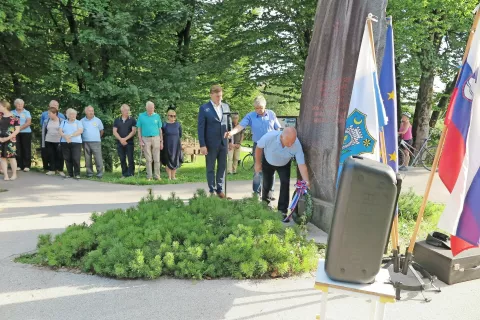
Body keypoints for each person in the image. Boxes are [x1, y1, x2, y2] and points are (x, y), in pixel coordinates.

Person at [226, 95, 281, 197]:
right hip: (258, 146)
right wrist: (231, 132)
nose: (258, 110)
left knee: (271, 169)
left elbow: (278, 128)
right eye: (256, 108)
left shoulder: (271, 114)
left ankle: (270, 192)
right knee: (257, 169)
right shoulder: (250, 116)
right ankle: (256, 193)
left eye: (260, 108)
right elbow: (240, 126)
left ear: (265, 106)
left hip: (271, 145)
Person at [254, 127, 310, 219]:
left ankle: (282, 211)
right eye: (288, 142)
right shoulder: (269, 137)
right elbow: (259, 148)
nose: (290, 144)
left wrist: (306, 180)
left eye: (292, 142)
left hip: (284, 164)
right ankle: (265, 205)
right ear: (281, 137)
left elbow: (301, 164)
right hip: (268, 162)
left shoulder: (296, 144)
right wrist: (257, 163)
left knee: (285, 184)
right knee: (267, 184)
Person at [197, 84, 232, 198]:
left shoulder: (226, 107)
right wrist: (202, 144)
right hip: (210, 144)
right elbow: (201, 127)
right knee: (210, 167)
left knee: (222, 167)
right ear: (211, 95)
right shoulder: (204, 108)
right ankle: (212, 190)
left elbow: (229, 124)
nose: (219, 98)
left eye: (221, 96)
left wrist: (230, 140)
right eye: (217, 96)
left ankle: (220, 189)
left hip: (224, 142)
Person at [137, 101, 163, 180]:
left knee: (157, 159)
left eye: (153, 107)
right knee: (148, 159)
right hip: (145, 138)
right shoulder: (141, 116)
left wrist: (161, 140)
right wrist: (140, 140)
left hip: (156, 138)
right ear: (146, 108)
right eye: (150, 108)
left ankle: (157, 176)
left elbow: (160, 129)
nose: (152, 109)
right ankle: (149, 176)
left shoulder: (157, 116)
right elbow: (139, 129)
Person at [40, 100, 66, 171]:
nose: (55, 107)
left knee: (59, 155)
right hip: (49, 139)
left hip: (59, 140)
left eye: (56, 106)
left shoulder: (62, 118)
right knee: (50, 154)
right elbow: (43, 128)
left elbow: (65, 129)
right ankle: (51, 169)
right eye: (53, 105)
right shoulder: (45, 117)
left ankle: (59, 169)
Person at [113, 104, 137, 178]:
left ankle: (131, 174)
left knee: (130, 158)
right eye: (126, 110)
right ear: (122, 111)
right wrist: (121, 139)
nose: (127, 111)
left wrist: (125, 139)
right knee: (122, 158)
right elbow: (114, 131)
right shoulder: (117, 120)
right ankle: (124, 173)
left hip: (129, 142)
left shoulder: (132, 120)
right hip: (120, 142)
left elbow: (133, 131)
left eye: (128, 110)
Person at [59, 108, 83, 179]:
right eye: (71, 114)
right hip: (65, 142)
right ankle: (70, 174)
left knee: (76, 158)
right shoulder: (63, 122)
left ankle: (77, 174)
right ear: (67, 115)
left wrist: (70, 136)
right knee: (67, 158)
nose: (73, 116)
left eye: (74, 114)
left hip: (76, 142)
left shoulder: (78, 122)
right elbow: (60, 131)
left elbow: (80, 131)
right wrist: (65, 137)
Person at [81, 106, 104, 178]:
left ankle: (99, 174)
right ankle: (89, 173)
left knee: (98, 158)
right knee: (87, 158)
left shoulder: (98, 120)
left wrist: (97, 137)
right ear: (86, 112)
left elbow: (101, 131)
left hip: (96, 142)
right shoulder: (82, 121)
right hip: (85, 142)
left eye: (92, 111)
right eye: (89, 111)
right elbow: (80, 131)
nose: (91, 112)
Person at [161, 106, 183, 180]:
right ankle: (169, 177)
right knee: (168, 159)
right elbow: (162, 134)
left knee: (175, 159)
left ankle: (173, 176)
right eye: (171, 116)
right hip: (167, 144)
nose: (173, 117)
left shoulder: (178, 124)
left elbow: (180, 134)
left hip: (176, 145)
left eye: (174, 116)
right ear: (168, 116)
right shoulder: (164, 125)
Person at [0, 100, 20, 181]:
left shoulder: (15, 117)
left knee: (12, 157)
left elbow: (17, 130)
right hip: (0, 139)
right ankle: (6, 175)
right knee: (2, 158)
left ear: (5, 107)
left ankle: (14, 174)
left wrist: (7, 138)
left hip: (11, 140)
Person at [11, 99, 32, 172]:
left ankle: (26, 165)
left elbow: (28, 122)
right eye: (18, 104)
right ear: (15, 105)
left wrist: (19, 128)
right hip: (15, 133)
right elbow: (10, 122)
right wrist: (16, 130)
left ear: (23, 105)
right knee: (17, 149)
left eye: (21, 104)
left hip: (26, 132)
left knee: (26, 149)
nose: (20, 105)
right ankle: (19, 165)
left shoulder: (27, 112)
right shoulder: (12, 112)